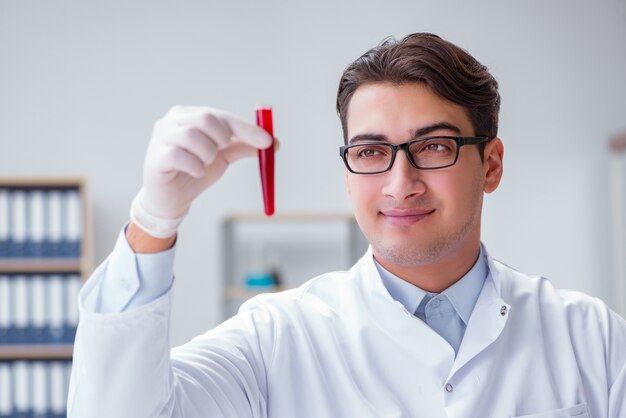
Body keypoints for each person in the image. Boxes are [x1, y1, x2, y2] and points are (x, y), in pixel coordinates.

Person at [68, 33, 626, 418]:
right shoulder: (276, 338)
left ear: (492, 164)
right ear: (348, 171)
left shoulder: (591, 337)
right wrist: (153, 220)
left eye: (433, 146)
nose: (399, 182)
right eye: (371, 151)